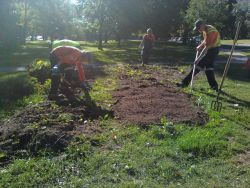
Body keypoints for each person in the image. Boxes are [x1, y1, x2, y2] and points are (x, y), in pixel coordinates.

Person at [177, 19, 221, 91]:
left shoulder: (211, 31)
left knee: (198, 65)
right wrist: (200, 46)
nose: (198, 30)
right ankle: (214, 86)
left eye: (198, 28)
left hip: (213, 50)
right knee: (209, 69)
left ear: (203, 25)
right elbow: (205, 41)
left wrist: (198, 59)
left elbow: (207, 47)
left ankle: (184, 83)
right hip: (211, 49)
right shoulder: (205, 30)